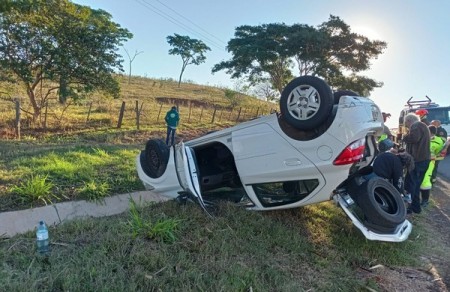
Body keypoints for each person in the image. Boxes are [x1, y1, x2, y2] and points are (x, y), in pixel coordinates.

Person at [402, 113, 431, 214]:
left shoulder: (416, 125)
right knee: (415, 184)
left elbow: (414, 138)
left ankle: (411, 208)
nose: (406, 126)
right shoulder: (422, 126)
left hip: (418, 161)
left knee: (412, 184)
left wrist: (404, 137)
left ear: (409, 121)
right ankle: (416, 208)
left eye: (406, 124)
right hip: (423, 160)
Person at [419, 125, 444, 207]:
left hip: (430, 163)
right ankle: (417, 197)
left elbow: (439, 153)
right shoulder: (423, 138)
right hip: (420, 161)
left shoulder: (439, 141)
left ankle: (425, 200)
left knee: (425, 180)